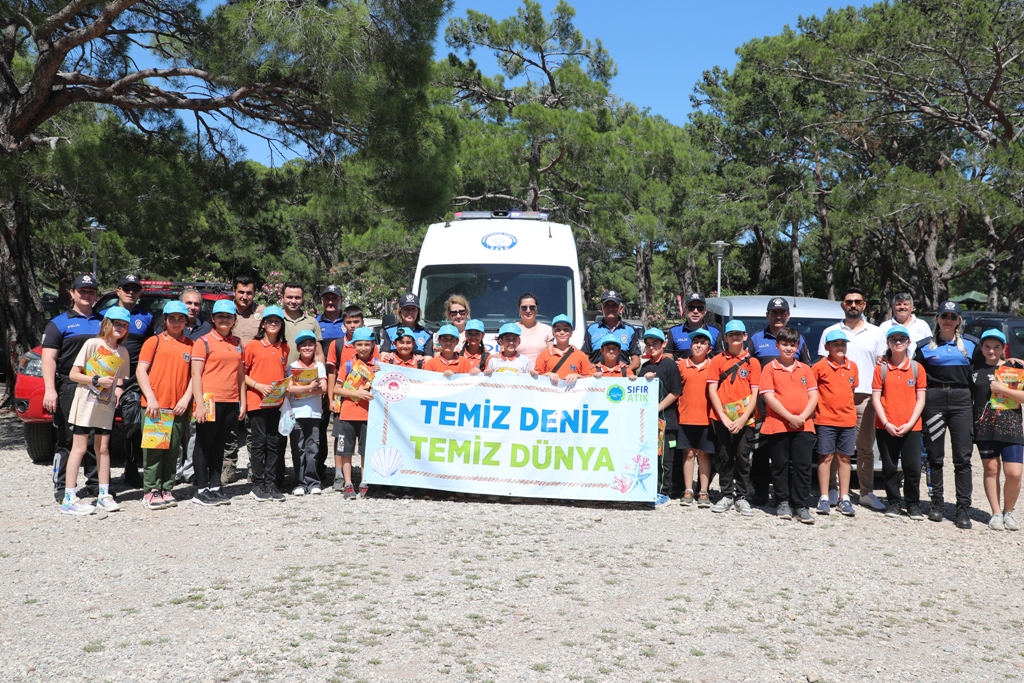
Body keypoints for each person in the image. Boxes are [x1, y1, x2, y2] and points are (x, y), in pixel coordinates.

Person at [817, 287, 887, 512]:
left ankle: (866, 493)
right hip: (834, 400)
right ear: (842, 305)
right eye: (849, 302)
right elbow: (821, 369)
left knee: (864, 448)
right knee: (834, 451)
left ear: (864, 305)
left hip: (865, 396)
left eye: (858, 301)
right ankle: (833, 491)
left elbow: (881, 365)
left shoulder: (876, 332)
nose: (853, 305)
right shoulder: (830, 331)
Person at [58, 307, 132, 515]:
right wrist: (96, 380)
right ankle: (69, 497)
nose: (120, 328)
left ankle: (103, 494)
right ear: (107, 324)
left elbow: (119, 378)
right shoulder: (92, 344)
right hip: (85, 402)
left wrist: (117, 389)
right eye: (117, 323)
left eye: (124, 325)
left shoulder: (123, 352)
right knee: (79, 448)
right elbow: (74, 374)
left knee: (103, 448)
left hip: (105, 404)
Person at [915, 300, 979, 528]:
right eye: (944, 316)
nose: (948, 321)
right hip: (934, 401)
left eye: (953, 317)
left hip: (962, 402)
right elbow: (911, 371)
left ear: (959, 321)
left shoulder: (972, 346)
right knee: (935, 456)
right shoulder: (924, 347)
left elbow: (986, 369)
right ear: (937, 319)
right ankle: (937, 504)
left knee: (963, 458)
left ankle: (963, 509)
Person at [43, 274, 103, 504]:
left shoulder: (103, 321)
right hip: (69, 385)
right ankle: (62, 485)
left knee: (94, 438)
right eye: (82, 291)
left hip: (96, 386)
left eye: (91, 291)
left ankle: (96, 484)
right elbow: (49, 359)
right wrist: (50, 390)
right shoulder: (59, 323)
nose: (87, 295)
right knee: (68, 440)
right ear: (72, 293)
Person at [746, 297, 811, 506]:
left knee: (790, 457)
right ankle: (761, 492)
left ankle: (791, 497)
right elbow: (746, 367)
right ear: (767, 315)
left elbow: (806, 367)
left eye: (782, 312)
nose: (778, 316)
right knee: (761, 452)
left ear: (788, 316)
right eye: (774, 312)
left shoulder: (798, 339)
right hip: (762, 406)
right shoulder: (756, 339)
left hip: (793, 408)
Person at [136, 301, 194, 510]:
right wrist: (151, 398)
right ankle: (151, 490)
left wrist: (186, 399)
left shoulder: (192, 345)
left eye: (181, 318)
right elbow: (141, 371)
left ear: (186, 321)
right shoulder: (154, 342)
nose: (176, 322)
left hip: (178, 407)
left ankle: (167, 488)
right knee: (153, 450)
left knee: (172, 450)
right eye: (172, 318)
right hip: (154, 407)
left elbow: (194, 377)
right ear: (165, 320)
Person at [760, 326, 819, 524]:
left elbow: (813, 396)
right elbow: (769, 397)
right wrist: (789, 417)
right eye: (784, 344)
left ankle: (801, 505)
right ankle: (782, 502)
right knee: (780, 465)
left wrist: (801, 416)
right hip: (778, 424)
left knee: (802, 466)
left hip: (804, 425)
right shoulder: (769, 368)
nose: (788, 348)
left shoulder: (806, 369)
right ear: (777, 345)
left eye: (792, 345)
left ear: (797, 347)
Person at [190, 300, 245, 506]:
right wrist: (200, 405)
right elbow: (196, 375)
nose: (224, 319)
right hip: (209, 400)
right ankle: (201, 489)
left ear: (234, 320)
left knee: (220, 445)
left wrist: (243, 401)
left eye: (229, 316)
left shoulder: (237, 343)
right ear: (212, 318)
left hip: (231, 401)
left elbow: (240, 375)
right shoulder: (202, 341)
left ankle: (215, 486)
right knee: (204, 445)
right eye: (220, 316)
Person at [873, 325, 928, 520]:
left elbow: (921, 399)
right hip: (885, 426)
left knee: (912, 468)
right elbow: (876, 398)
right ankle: (894, 503)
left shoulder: (916, 368)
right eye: (894, 340)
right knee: (888, 468)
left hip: (912, 427)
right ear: (888, 343)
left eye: (902, 340)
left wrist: (911, 423)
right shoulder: (881, 368)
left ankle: (913, 505)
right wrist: (886, 423)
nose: (898, 343)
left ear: (908, 343)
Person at [971, 329, 1024, 531]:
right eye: (987, 346)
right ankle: (995, 512)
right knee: (991, 469)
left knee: (1014, 473)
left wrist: (1003, 390)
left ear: (1003, 348)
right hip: (985, 427)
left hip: (1011, 426)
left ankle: (1009, 512)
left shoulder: (1014, 368)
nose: (991, 351)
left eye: (996, 347)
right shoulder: (974, 370)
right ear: (981, 348)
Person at [707, 320, 760, 516]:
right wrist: (723, 417)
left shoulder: (753, 362)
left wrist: (742, 419)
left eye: (739, 334)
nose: (735, 337)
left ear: (745, 336)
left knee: (742, 456)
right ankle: (727, 494)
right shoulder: (718, 360)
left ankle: (742, 496)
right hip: (721, 418)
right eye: (731, 334)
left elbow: (755, 393)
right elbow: (712, 390)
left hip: (745, 419)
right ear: (726, 338)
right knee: (724, 456)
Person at [110, 274, 154, 490]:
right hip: (106, 379)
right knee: (102, 430)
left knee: (133, 427)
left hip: (133, 381)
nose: (130, 292)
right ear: (117, 290)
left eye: (135, 289)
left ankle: (131, 469)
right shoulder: (104, 316)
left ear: (140, 293)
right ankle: (100, 477)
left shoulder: (146, 317)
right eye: (126, 288)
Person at [243, 306, 288, 502]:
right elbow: (241, 374)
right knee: (259, 444)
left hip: (276, 403)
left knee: (274, 443)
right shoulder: (253, 346)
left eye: (276, 321)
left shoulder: (284, 348)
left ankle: (271, 482)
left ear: (281, 325)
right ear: (263, 324)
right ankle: (258, 483)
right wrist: (258, 386)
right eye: (269, 320)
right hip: (256, 402)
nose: (272, 324)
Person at [811, 330, 859, 517]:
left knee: (845, 458)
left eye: (843, 344)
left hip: (847, 420)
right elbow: (812, 391)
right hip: (825, 420)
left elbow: (851, 391)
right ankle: (824, 496)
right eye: (835, 344)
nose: (840, 347)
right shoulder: (819, 366)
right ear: (827, 347)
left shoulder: (852, 366)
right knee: (825, 457)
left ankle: (844, 497)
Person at [223, 275, 264, 484]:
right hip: (228, 377)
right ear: (234, 292)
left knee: (252, 427)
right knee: (228, 426)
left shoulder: (262, 313)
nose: (245, 296)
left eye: (249, 293)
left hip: (254, 378)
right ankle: (228, 467)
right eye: (241, 292)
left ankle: (253, 469)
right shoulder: (225, 312)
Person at [333, 327, 380, 499]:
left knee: (365, 452)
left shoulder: (378, 365)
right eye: (359, 344)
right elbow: (336, 389)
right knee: (345, 451)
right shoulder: (347, 364)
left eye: (367, 344)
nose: (363, 348)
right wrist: (356, 393)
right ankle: (347, 483)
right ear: (353, 345)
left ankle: (364, 481)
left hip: (368, 416)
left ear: (373, 344)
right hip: (347, 415)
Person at [640, 329, 682, 507]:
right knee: (652, 457)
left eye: (655, 344)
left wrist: (657, 408)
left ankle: (664, 492)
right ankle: (651, 489)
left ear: (663, 344)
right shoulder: (645, 366)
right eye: (648, 344)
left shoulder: (670, 365)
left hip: (667, 421)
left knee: (666, 458)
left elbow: (675, 392)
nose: (651, 347)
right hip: (649, 423)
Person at [675, 328, 715, 508]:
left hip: (706, 418)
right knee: (688, 453)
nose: (699, 345)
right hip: (685, 417)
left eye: (703, 342)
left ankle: (704, 491)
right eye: (695, 342)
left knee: (704, 455)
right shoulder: (681, 365)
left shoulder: (714, 365)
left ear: (709, 347)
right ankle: (688, 489)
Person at [286, 330, 327, 496]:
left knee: (313, 448)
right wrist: (310, 388)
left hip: (315, 413)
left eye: (310, 344)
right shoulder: (292, 367)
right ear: (298, 347)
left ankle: (313, 482)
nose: (307, 347)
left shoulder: (320, 367)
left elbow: (323, 388)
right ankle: (299, 483)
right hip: (296, 413)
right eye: (303, 345)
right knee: (298, 449)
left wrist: (302, 390)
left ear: (315, 347)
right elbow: (289, 389)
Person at [315, 285, 346, 484]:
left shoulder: (350, 321)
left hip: (345, 383)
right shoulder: (316, 323)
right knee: (319, 427)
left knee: (342, 429)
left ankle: (341, 471)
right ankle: (318, 469)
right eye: (327, 298)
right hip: (321, 381)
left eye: (334, 298)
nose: (330, 302)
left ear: (341, 300)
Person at [581, 290, 641, 372]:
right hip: (597, 380)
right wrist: (592, 366)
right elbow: (584, 357)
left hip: (621, 381)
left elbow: (636, 361)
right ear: (601, 308)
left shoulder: (630, 330)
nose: (610, 308)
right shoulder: (592, 329)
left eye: (614, 305)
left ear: (621, 309)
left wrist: (625, 371)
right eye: (607, 305)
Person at [534, 314, 591, 385]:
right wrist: (547, 374)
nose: (562, 332)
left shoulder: (581, 355)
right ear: (553, 333)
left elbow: (588, 379)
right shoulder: (544, 355)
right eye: (557, 329)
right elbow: (536, 379)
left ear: (571, 333)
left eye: (566, 329)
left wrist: (577, 376)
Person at [380, 293, 433, 362]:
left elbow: (428, 362)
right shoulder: (389, 331)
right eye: (406, 309)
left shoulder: (426, 334)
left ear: (418, 312)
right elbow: (383, 358)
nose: (410, 312)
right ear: (400, 310)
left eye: (413, 309)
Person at [666, 293, 720, 360]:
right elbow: (667, 361)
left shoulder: (715, 332)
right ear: (685, 310)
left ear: (705, 311)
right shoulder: (674, 332)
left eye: (700, 308)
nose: (695, 311)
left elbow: (720, 361)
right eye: (691, 307)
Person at [281, 282, 324, 364]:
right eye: (289, 297)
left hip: (305, 373)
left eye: (297, 298)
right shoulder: (275, 321)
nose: (293, 301)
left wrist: (321, 375)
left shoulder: (312, 322)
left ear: (303, 298)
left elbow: (318, 354)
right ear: (282, 297)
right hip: (279, 373)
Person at [515, 293, 553, 364]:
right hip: (516, 374)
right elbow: (503, 355)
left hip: (540, 374)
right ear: (519, 309)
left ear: (537, 309)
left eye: (532, 307)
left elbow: (551, 356)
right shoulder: (510, 329)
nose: (528, 311)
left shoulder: (547, 330)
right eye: (524, 308)